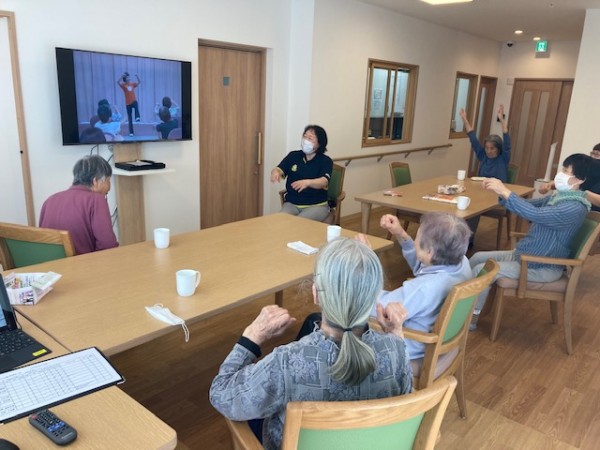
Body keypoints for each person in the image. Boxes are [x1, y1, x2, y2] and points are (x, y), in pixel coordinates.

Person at [210, 238, 413, 450]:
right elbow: (404, 403)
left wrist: (251, 336)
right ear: (373, 298)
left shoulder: (286, 363)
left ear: (316, 294)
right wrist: (395, 335)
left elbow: (222, 395)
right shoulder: (396, 350)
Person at [469, 153, 592, 329]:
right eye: (562, 169)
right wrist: (502, 193)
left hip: (541, 265)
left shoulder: (574, 208)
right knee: (477, 257)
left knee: (481, 270)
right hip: (525, 255)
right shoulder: (559, 198)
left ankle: (469, 319)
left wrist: (505, 191)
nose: (560, 174)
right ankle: (456, 301)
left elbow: (534, 214)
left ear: (580, 179)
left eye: (566, 171)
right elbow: (530, 206)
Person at [358, 212, 472, 360]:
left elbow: (376, 308)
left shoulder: (423, 289)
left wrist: (367, 261)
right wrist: (401, 234)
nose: (415, 241)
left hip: (408, 350)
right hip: (437, 342)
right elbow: (424, 265)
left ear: (430, 252)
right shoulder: (462, 263)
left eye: (417, 238)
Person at [39, 155, 118, 255]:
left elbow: (42, 241)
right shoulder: (96, 200)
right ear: (95, 181)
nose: (109, 186)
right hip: (82, 263)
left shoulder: (49, 201)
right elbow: (108, 245)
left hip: (51, 264)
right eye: (108, 180)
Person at [270, 125, 333, 222]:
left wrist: (307, 182)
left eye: (310, 138)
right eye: (304, 136)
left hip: (316, 205)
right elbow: (279, 169)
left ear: (319, 143)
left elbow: (323, 182)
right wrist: (275, 172)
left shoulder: (325, 161)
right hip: (292, 204)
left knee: (298, 223)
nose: (305, 140)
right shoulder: (293, 156)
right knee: (279, 222)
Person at [117, 72, 141, 136]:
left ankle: (137, 117)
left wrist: (137, 76)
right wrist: (121, 76)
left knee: (136, 104)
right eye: (127, 77)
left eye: (129, 76)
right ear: (125, 78)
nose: (129, 78)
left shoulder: (132, 84)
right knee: (130, 118)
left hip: (133, 101)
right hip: (128, 103)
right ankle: (131, 132)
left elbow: (139, 82)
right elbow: (118, 82)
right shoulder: (123, 85)